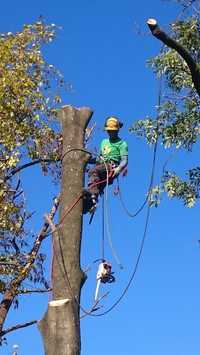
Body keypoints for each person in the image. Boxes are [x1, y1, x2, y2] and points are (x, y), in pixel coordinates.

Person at [83, 116, 128, 214]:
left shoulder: (122, 144)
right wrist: (87, 160)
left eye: (112, 131)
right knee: (96, 185)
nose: (110, 133)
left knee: (93, 171)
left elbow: (124, 161)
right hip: (102, 166)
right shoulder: (104, 142)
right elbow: (99, 159)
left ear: (117, 131)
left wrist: (119, 169)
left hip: (111, 167)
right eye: (109, 131)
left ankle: (92, 194)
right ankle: (89, 205)